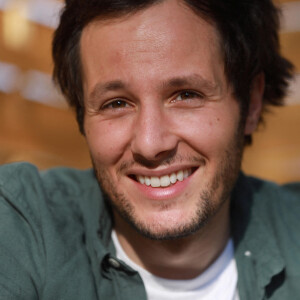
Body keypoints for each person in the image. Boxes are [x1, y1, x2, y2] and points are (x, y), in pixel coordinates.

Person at [0, 0, 299, 299]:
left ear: (251, 103)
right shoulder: (22, 226)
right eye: (116, 103)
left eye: (186, 95)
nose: (150, 143)